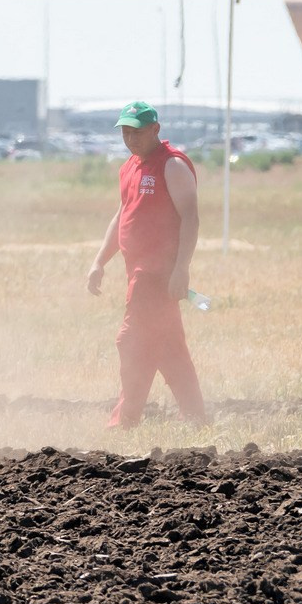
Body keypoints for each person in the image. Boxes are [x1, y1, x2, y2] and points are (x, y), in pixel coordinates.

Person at [85, 101, 207, 429]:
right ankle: (197, 418)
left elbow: (191, 219)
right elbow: (123, 214)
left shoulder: (173, 166)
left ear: (155, 129)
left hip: (156, 275)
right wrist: (99, 261)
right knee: (168, 349)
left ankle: (123, 421)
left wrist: (182, 269)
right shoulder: (130, 167)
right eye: (125, 131)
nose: (130, 138)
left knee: (132, 342)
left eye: (136, 131)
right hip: (137, 272)